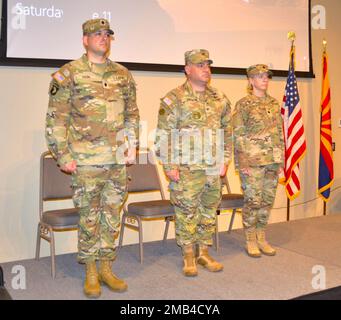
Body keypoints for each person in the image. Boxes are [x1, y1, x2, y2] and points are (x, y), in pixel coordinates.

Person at [45, 18, 139, 298]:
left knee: (112, 215)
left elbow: (131, 114)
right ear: (85, 40)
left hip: (117, 160)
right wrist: (61, 155)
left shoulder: (123, 74)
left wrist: (132, 145)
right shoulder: (68, 74)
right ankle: (90, 270)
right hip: (85, 161)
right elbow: (56, 119)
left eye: (107, 34)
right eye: (96, 34)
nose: (103, 38)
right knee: (89, 216)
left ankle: (107, 267)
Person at [155, 49, 232, 276]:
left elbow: (228, 130)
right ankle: (188, 255)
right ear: (188, 69)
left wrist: (225, 159)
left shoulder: (219, 98)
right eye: (200, 65)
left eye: (208, 64)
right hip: (186, 168)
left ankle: (204, 252)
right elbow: (164, 134)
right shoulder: (174, 98)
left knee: (209, 210)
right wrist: (169, 166)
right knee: (187, 211)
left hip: (212, 166)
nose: (206, 69)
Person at [232, 64, 284, 258]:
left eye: (267, 76)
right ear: (251, 80)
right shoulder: (243, 104)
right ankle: (250, 239)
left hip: (272, 160)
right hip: (252, 161)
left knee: (267, 200)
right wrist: (242, 163)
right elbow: (238, 135)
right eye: (260, 76)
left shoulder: (273, 103)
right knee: (253, 201)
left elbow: (279, 132)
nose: (265, 79)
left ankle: (262, 236)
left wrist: (281, 161)